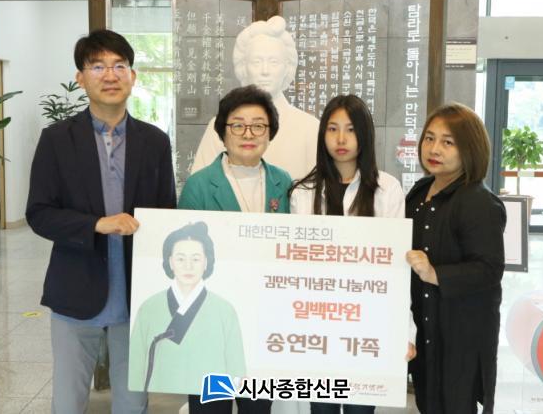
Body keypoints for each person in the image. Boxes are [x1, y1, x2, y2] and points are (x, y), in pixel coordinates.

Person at [26, 29, 176, 414]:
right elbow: (39, 213)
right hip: (75, 287)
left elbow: (166, 214)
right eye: (98, 67)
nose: (110, 75)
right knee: (68, 400)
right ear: (81, 78)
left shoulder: (155, 142)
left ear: (133, 76)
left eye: (119, 66)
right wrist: (96, 224)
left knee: (133, 400)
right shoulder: (57, 139)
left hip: (136, 293)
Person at [289, 95, 416, 414]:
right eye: (332, 129)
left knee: (361, 408)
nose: (341, 139)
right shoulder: (303, 192)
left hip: (368, 322)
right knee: (322, 409)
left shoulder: (387, 189)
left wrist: (405, 331)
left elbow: (396, 271)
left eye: (350, 129)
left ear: (364, 135)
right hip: (317, 322)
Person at [179, 85, 291, 413]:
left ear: (270, 132)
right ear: (223, 131)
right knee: (210, 407)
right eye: (238, 125)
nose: (248, 134)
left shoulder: (284, 183)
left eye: (258, 125)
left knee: (257, 408)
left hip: (263, 324)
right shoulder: (199, 185)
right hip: (210, 324)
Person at [405, 103, 506, 413]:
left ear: (469, 149)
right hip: (425, 325)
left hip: (461, 333)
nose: (434, 149)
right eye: (429, 138)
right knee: (427, 400)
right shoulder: (420, 192)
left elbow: (489, 269)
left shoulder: (479, 201)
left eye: (448, 142)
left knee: (455, 403)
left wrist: (435, 274)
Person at [191, 15, 319, 180]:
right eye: (256, 62)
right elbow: (201, 186)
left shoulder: (310, 128)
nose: (265, 71)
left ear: (287, 67)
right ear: (243, 67)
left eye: (274, 62)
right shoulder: (220, 126)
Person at [129, 221, 245, 394]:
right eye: (180, 258)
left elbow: (237, 371)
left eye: (196, 259)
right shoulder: (149, 308)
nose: (188, 266)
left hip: (212, 395)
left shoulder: (225, 311)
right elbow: (136, 367)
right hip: (159, 395)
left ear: (206, 262)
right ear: (170, 261)